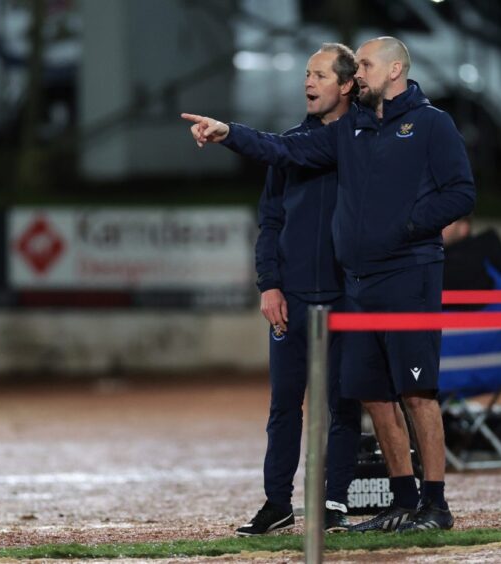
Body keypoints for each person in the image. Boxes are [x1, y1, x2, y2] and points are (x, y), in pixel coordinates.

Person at [183, 36, 475, 532]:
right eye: (355, 65)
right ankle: (402, 502)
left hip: (402, 277)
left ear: (395, 69)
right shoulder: (353, 131)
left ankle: (433, 505)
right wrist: (229, 132)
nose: (358, 73)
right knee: (374, 396)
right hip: (355, 287)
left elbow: (461, 193)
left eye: (363, 65)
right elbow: (278, 151)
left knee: (416, 393)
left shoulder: (430, 123)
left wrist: (406, 226)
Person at [236, 43, 362, 537]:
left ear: (346, 85)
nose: (308, 83)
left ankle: (333, 501)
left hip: (347, 296)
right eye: (306, 74)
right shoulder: (288, 143)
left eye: (319, 75)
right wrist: (270, 285)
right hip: (293, 297)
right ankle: (277, 503)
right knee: (284, 404)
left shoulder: (361, 142)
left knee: (344, 403)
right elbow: (270, 221)